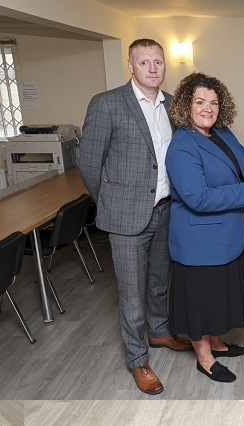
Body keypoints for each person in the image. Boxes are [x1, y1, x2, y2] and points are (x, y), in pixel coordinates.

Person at [79, 38, 192, 396]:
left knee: (160, 281)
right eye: (145, 62)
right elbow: (88, 164)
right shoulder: (108, 104)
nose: (153, 68)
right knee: (131, 294)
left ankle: (159, 333)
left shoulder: (173, 105)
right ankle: (137, 359)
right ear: (131, 65)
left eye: (158, 62)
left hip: (165, 210)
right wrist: (111, 202)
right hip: (125, 218)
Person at [165, 72, 244, 383]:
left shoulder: (220, 133)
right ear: (187, 105)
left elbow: (240, 162)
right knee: (201, 302)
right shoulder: (183, 145)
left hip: (226, 235)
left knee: (217, 298)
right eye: (200, 102)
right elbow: (198, 198)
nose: (208, 108)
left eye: (213, 102)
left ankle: (216, 343)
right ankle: (205, 357)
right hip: (200, 241)